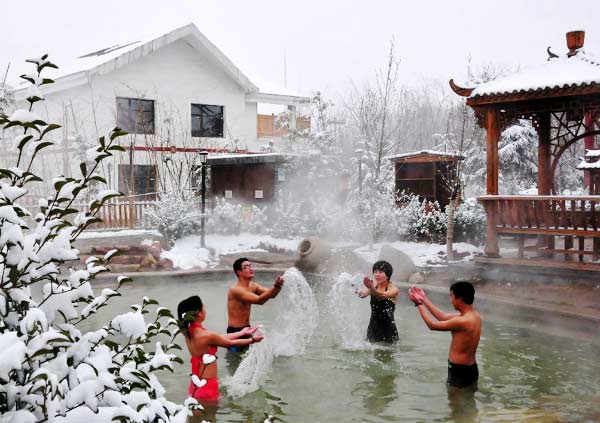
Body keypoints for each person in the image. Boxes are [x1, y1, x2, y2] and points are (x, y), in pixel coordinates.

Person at [177, 295, 264, 404]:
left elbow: (219, 339)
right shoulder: (206, 335)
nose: (205, 309)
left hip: (195, 386)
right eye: (203, 306)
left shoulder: (188, 332)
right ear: (198, 313)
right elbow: (230, 343)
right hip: (208, 387)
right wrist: (252, 340)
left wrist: (242, 333)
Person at [409, 281, 481, 388]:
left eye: (451, 296)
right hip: (471, 369)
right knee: (467, 401)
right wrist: (424, 299)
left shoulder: (462, 321)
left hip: (459, 371)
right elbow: (442, 316)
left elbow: (432, 325)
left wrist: (418, 304)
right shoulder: (474, 316)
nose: (451, 300)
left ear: (460, 298)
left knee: (454, 404)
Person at [226, 257, 284, 351]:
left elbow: (271, 295)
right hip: (235, 332)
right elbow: (259, 301)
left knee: (246, 357)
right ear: (239, 272)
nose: (250, 268)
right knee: (234, 361)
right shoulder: (235, 290)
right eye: (246, 267)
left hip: (247, 329)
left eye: (250, 265)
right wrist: (276, 286)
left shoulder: (253, 286)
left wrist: (278, 286)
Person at [357, 260, 400, 343]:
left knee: (388, 352)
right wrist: (359, 292)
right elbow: (364, 293)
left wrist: (372, 289)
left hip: (388, 329)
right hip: (373, 327)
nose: (377, 274)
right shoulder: (373, 286)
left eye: (380, 272)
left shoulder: (394, 289)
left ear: (387, 274)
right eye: (375, 271)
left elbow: (384, 295)